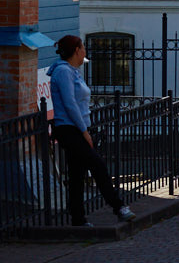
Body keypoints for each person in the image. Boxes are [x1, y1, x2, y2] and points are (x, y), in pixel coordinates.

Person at [49, 35, 136, 226]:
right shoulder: (63, 72)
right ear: (77, 50)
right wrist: (84, 131)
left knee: (77, 174)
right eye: (83, 48)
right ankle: (118, 207)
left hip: (77, 128)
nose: (85, 52)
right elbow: (70, 104)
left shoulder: (73, 71)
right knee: (98, 165)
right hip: (69, 129)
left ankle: (78, 219)